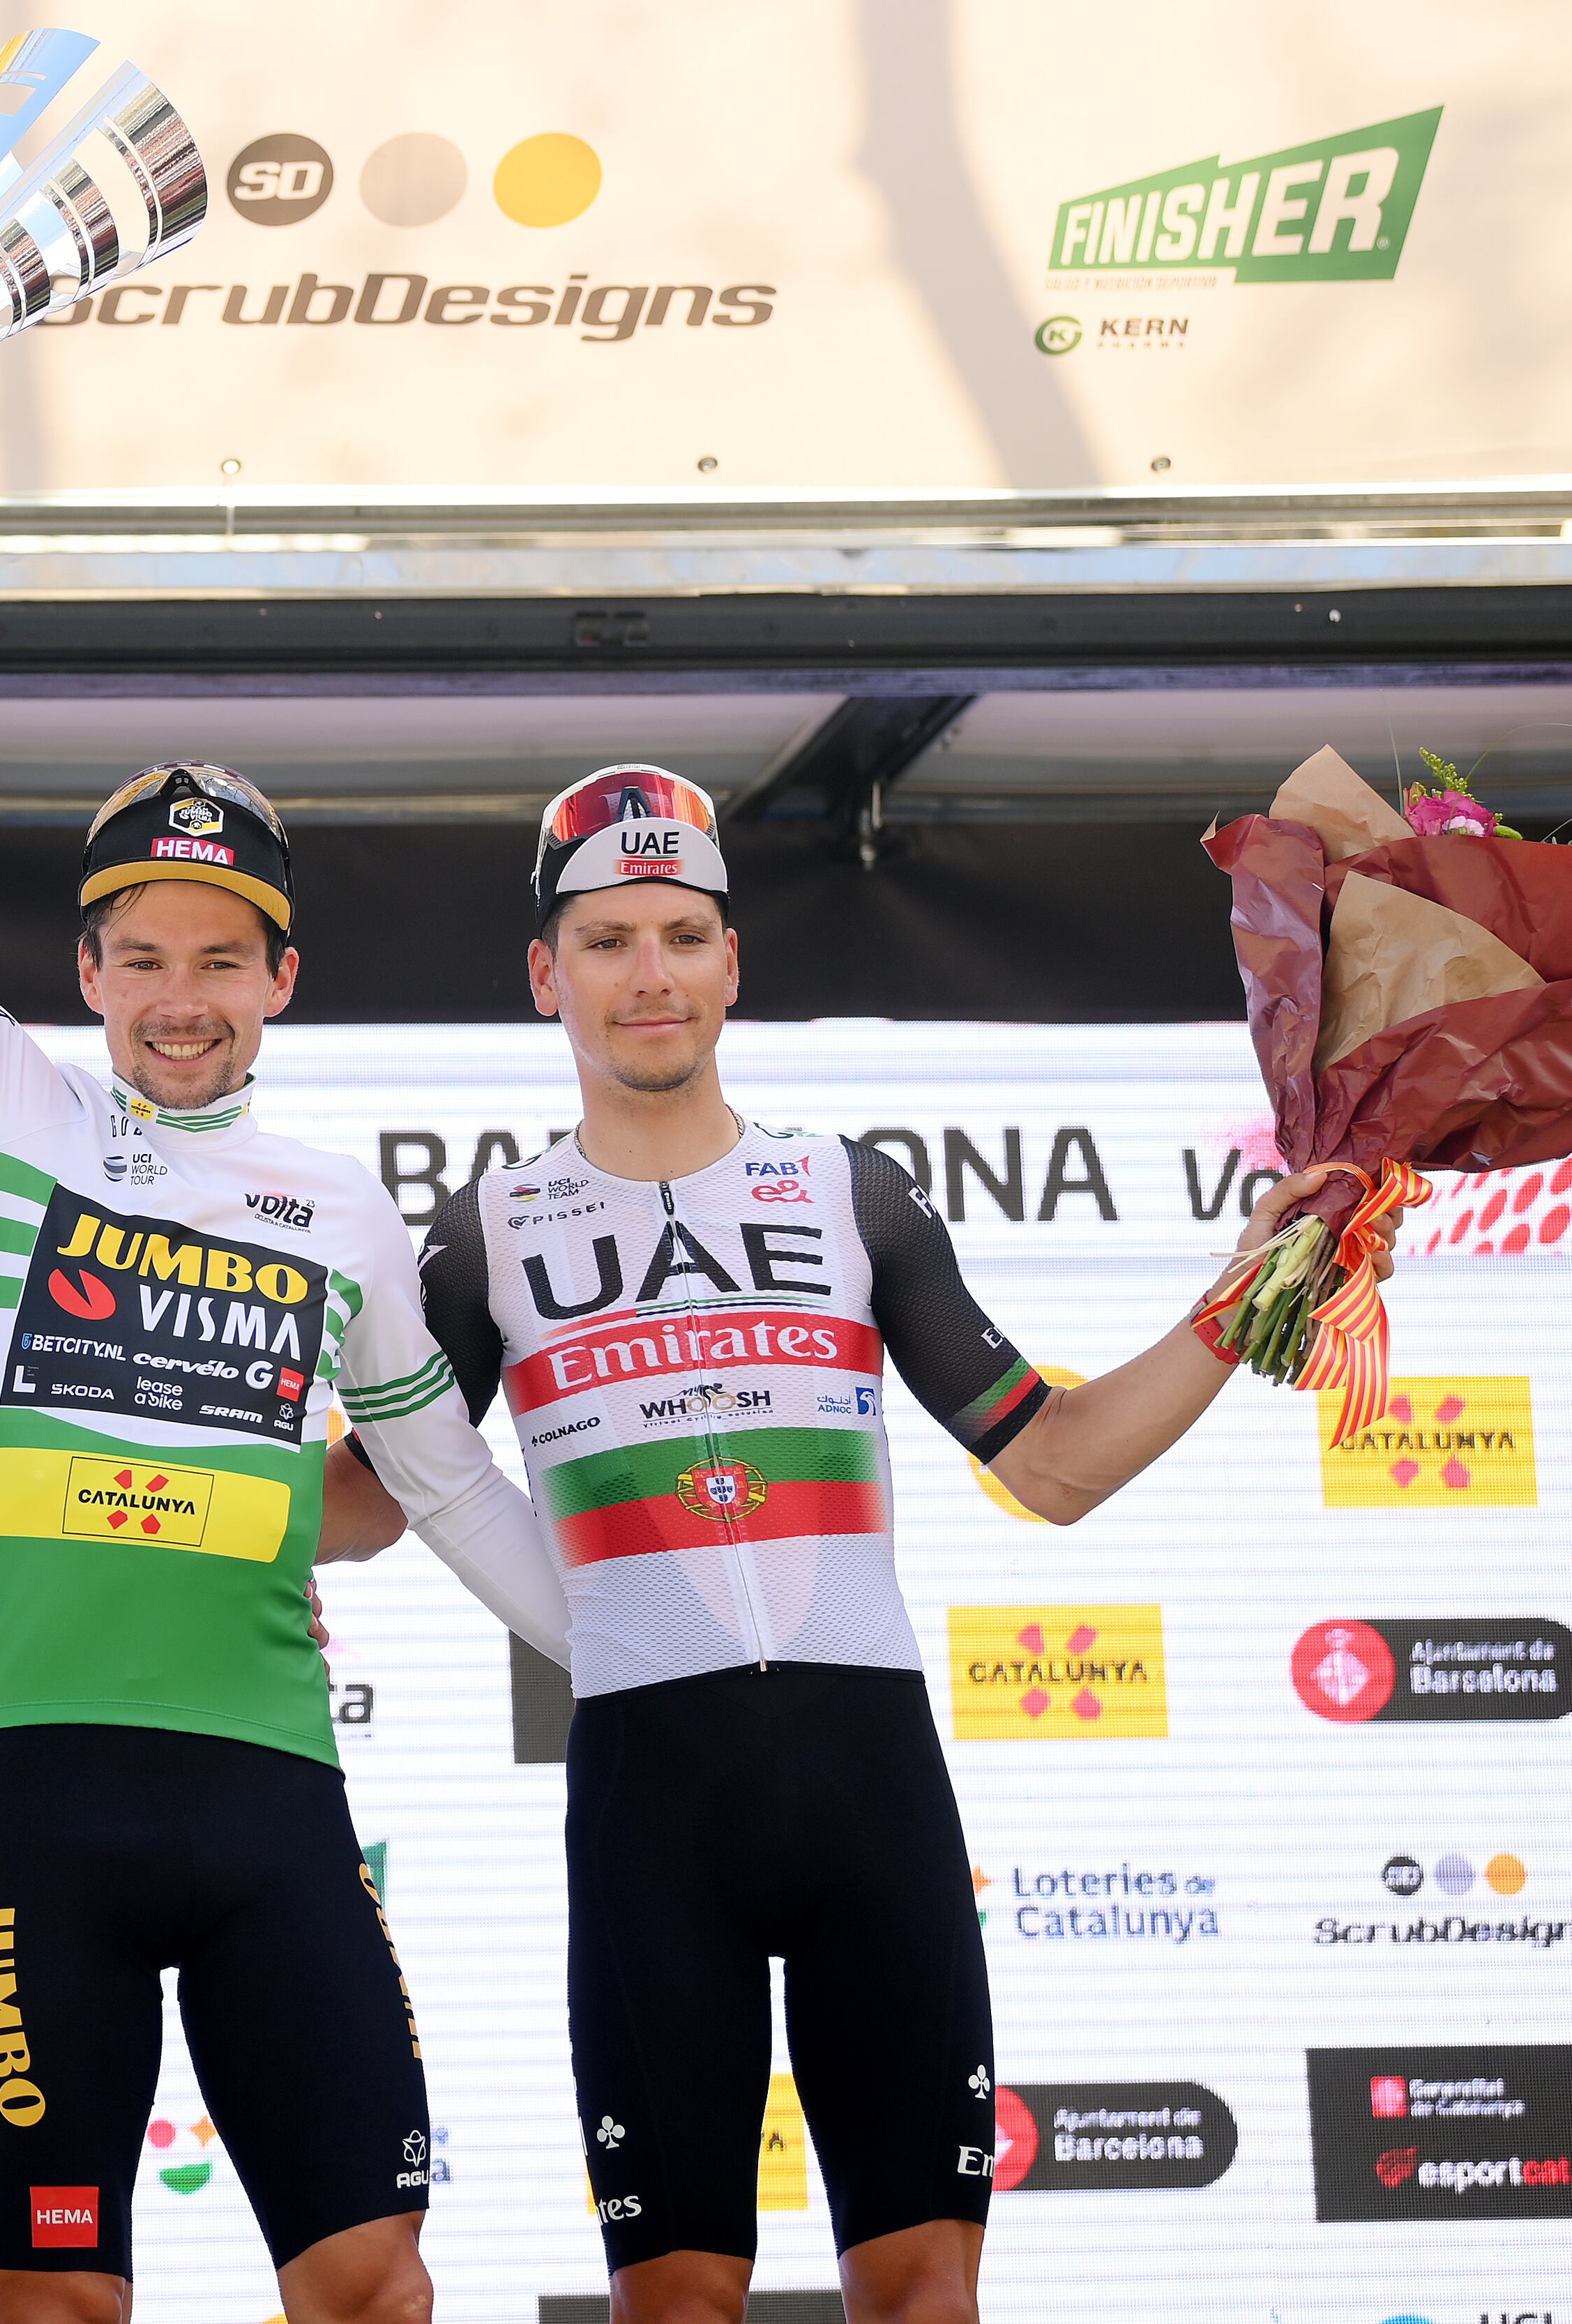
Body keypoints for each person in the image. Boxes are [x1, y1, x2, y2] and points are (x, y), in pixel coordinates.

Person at [319, 767, 1400, 2324]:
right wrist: (116, 1470)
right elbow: (366, 1504)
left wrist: (1246, 1288)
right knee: (675, 2297)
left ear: (731, 962)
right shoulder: (485, 1231)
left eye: (682, 933)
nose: (650, 973)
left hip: (870, 1791)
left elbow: (1057, 1464)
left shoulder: (850, 1191)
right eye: (609, 938)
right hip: (651, 1811)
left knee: (920, 2292)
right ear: (546, 974)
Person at [0, 367, 570, 2324]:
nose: (179, 998)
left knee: (373, 2277)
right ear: (86, 970)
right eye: (142, 956)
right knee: (56, 2300)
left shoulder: (341, 1209)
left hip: (274, 1788)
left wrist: (668, 1652)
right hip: (33, 1795)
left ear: (283, 973)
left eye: (223, 956)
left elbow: (449, 1483)